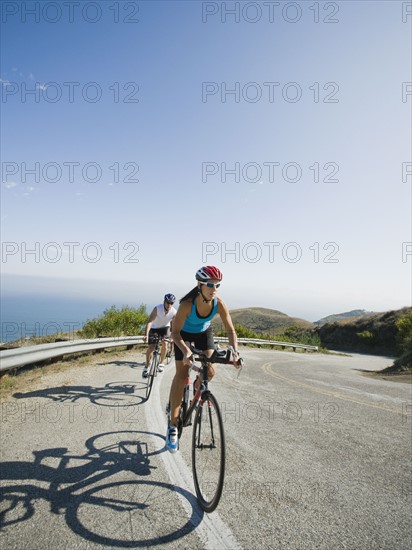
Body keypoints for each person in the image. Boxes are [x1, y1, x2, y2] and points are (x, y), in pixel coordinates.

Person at [166, 266, 241, 453]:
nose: (214, 288)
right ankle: (172, 425)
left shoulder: (219, 303)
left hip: (203, 334)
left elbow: (231, 330)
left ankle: (199, 387)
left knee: (210, 370)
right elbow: (174, 332)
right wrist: (185, 351)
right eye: (210, 284)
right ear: (199, 284)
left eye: (217, 285)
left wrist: (235, 352)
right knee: (182, 375)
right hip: (182, 335)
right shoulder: (186, 304)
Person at [143, 293, 177, 377]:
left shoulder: (174, 312)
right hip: (154, 328)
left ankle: (161, 363)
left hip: (165, 328)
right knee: (151, 347)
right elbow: (150, 322)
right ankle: (146, 366)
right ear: (164, 302)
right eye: (168, 302)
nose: (169, 305)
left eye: (171, 303)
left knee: (165, 343)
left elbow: (174, 325)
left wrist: (172, 335)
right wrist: (146, 334)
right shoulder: (157, 309)